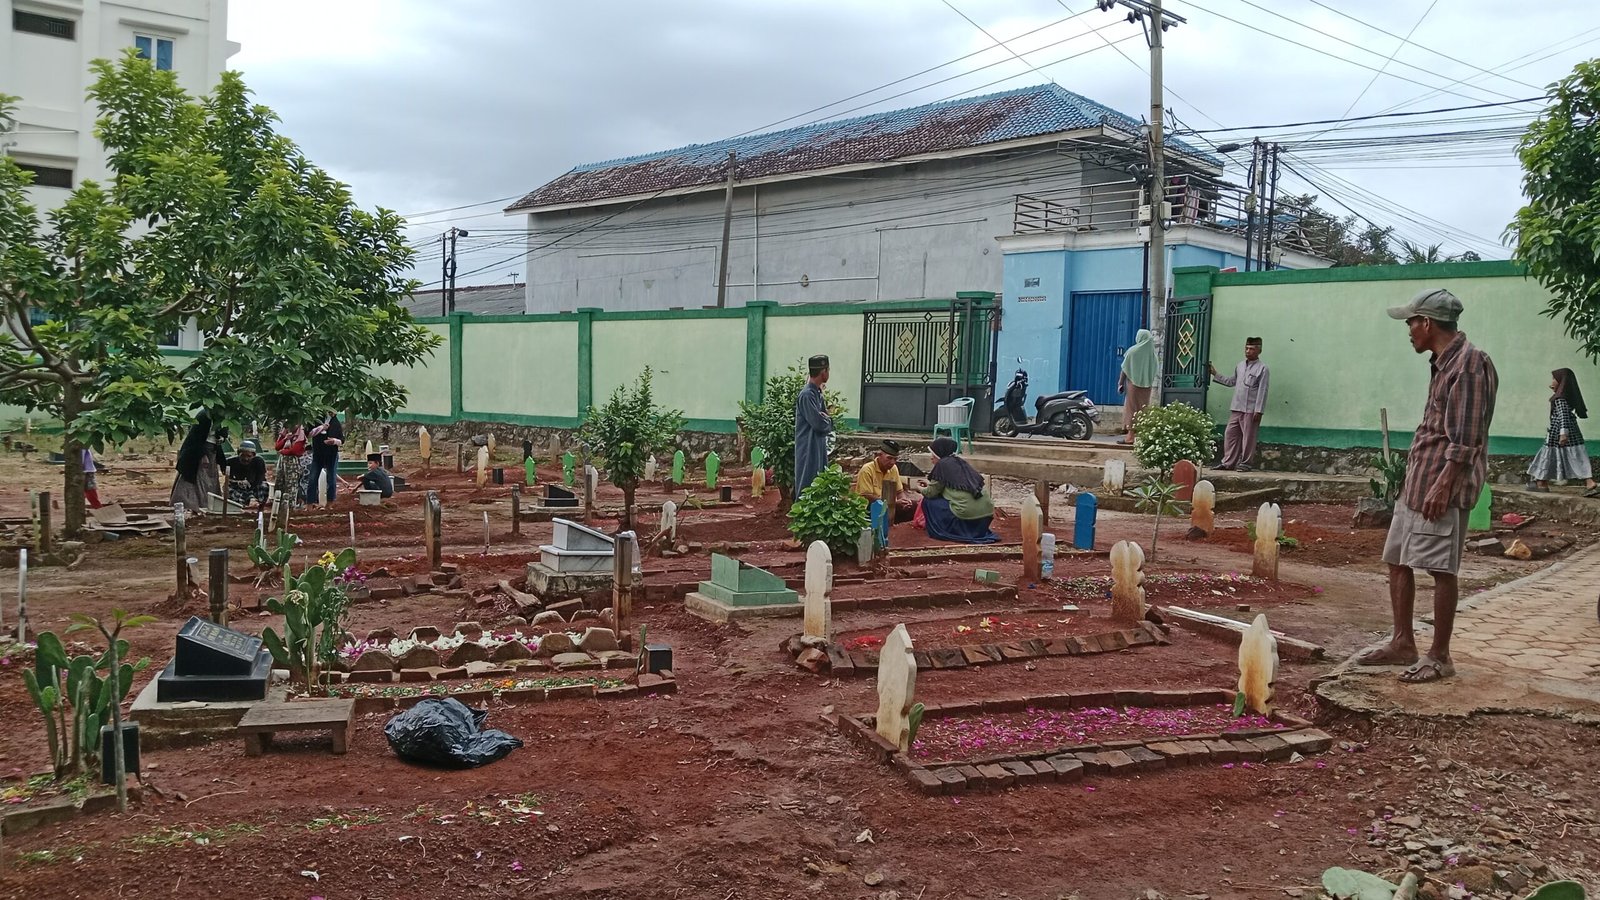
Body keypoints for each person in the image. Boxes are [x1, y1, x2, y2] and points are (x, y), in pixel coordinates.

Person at [1358, 288, 1497, 684]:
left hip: (1441, 485)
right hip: (1420, 480)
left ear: (1427, 323)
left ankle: (1439, 656)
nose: (1408, 331)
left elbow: (1466, 438)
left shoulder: (1469, 365)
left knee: (1439, 568)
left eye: (1410, 323)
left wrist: (1443, 486)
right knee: (1397, 559)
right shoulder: (1443, 362)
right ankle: (1403, 642)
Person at [1527, 368, 1598, 496]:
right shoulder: (1565, 397)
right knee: (1575, 456)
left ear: (1561, 381)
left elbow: (1563, 415)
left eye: (1554, 379)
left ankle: (1542, 483)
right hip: (1570, 430)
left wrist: (1563, 433)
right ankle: (1542, 481)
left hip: (1559, 432)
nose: (1552, 382)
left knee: (1548, 456)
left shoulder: (1560, 398)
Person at [916, 437, 998, 544]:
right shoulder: (960, 462)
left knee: (928, 502)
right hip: (985, 516)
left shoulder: (942, 465)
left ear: (939, 453)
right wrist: (930, 485)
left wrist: (918, 488)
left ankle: (943, 531)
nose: (931, 458)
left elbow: (930, 493)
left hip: (966, 516)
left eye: (933, 454)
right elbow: (954, 486)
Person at [1208, 337, 1271, 471]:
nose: (1248, 351)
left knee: (1248, 437)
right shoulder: (1240, 366)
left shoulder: (1263, 369)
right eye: (1246, 348)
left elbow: (1263, 390)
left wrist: (1259, 410)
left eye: (1252, 349)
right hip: (1236, 407)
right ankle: (1228, 462)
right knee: (1230, 434)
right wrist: (1215, 374)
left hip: (1251, 409)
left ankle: (1246, 463)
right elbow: (1232, 382)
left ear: (1259, 350)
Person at [794, 354, 834, 496]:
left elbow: (826, 420)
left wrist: (826, 419)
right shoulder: (807, 395)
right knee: (807, 483)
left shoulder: (817, 393)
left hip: (818, 445)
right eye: (828, 370)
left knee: (820, 481)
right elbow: (819, 424)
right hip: (808, 447)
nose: (829, 373)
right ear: (823, 371)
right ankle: (801, 518)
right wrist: (826, 420)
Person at [854, 439, 916, 522]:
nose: (892, 462)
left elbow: (899, 491)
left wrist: (904, 501)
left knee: (914, 506)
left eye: (895, 459)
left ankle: (895, 530)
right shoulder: (867, 470)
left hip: (890, 505)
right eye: (889, 458)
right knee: (876, 508)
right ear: (879, 455)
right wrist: (893, 503)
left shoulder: (894, 468)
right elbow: (867, 497)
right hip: (870, 507)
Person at [171, 409, 221, 511]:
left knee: (209, 479)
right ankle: (191, 505)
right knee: (195, 478)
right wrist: (202, 455)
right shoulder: (204, 416)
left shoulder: (221, 418)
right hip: (195, 453)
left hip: (212, 450)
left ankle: (207, 505)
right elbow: (196, 438)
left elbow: (221, 434)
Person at [1118, 328, 1157, 445]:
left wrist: (1120, 383)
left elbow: (1124, 369)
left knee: (1131, 408)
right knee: (1143, 409)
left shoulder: (1132, 351)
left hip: (1133, 385)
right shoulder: (1152, 355)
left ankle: (1130, 436)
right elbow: (1154, 371)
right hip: (1147, 386)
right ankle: (1142, 437)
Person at [305, 413, 344, 504]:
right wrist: (321, 428)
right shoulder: (317, 420)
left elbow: (342, 440)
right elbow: (309, 433)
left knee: (331, 480)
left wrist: (334, 441)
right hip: (318, 454)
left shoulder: (336, 423)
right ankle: (310, 503)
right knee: (312, 479)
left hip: (331, 455)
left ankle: (330, 503)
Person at [219, 440, 270, 510]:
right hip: (238, 487)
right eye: (242, 455)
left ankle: (259, 506)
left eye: (249, 456)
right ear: (238, 453)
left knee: (264, 486)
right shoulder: (230, 462)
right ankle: (238, 505)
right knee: (227, 488)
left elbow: (260, 478)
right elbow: (227, 479)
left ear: (254, 455)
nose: (246, 458)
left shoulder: (259, 462)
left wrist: (250, 485)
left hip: (254, 486)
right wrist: (238, 482)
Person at [274, 423, 309, 510]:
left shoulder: (300, 435)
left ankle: (290, 506)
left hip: (293, 461)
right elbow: (277, 446)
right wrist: (285, 438)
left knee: (291, 484)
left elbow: (295, 450)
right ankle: (278, 505)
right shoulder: (285, 432)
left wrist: (283, 451)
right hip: (282, 460)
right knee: (279, 482)